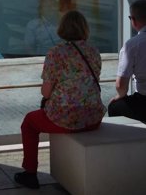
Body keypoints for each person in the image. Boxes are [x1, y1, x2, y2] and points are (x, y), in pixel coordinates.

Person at [14, 10, 106, 189]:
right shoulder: (93, 51)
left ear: (62, 28)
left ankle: (30, 173)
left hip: (66, 118)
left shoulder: (56, 53)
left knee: (29, 123)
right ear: (85, 29)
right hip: (93, 117)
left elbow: (46, 92)